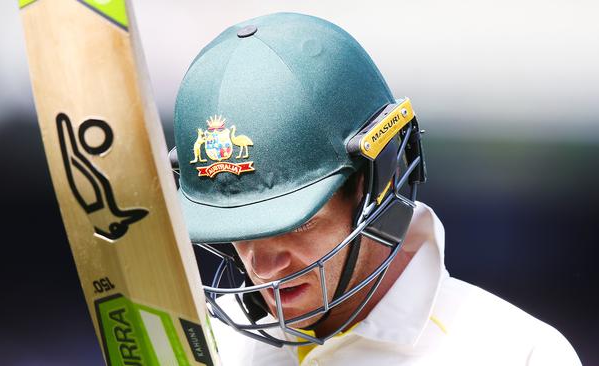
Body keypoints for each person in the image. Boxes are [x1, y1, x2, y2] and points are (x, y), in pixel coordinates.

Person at [171, 12, 580, 366]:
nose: (263, 266)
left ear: (375, 183)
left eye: (295, 223)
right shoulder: (199, 346)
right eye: (237, 228)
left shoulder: (516, 354)